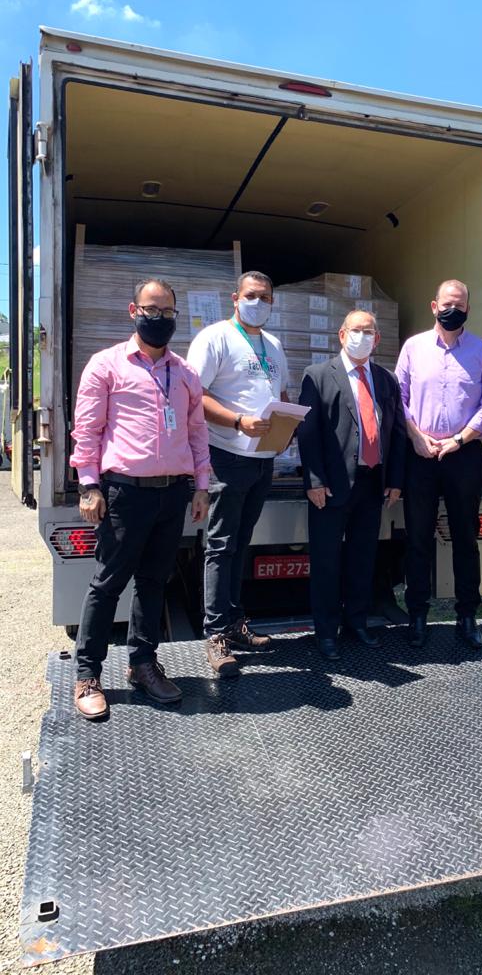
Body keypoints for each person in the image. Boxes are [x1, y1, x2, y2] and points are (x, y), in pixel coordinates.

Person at [70, 279, 210, 719]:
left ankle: (143, 664)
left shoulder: (184, 373)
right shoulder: (106, 365)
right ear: (134, 311)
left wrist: (202, 485)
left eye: (167, 312)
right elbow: (87, 430)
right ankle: (87, 674)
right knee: (108, 583)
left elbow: (197, 432)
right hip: (124, 493)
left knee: (154, 582)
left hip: (172, 494)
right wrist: (89, 485)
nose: (159, 318)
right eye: (151, 310)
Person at [187, 271, 290, 678]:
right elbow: (195, 394)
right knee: (220, 545)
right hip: (227, 454)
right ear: (235, 298)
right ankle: (215, 633)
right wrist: (237, 421)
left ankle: (234, 622)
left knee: (241, 543)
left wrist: (286, 428)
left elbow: (281, 395)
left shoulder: (274, 345)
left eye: (265, 297)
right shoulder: (215, 338)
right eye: (251, 295)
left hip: (262, 459)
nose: (258, 302)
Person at [395, 279, 482, 649]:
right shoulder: (413, 347)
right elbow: (398, 398)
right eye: (446, 304)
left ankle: (467, 615)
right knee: (418, 538)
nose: (452, 310)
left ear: (467, 309)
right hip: (420, 454)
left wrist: (459, 439)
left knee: (465, 538)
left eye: (459, 304)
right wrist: (416, 437)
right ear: (434, 306)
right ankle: (417, 615)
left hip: (464, 454)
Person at [297, 310, 406, 659]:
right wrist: (314, 480)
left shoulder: (386, 380)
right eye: (356, 330)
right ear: (342, 335)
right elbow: (308, 434)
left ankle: (356, 621)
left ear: (377, 339)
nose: (362, 337)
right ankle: (326, 631)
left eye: (369, 331)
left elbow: (397, 432)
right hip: (331, 486)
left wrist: (395, 480)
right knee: (327, 561)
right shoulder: (317, 376)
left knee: (363, 558)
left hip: (372, 484)